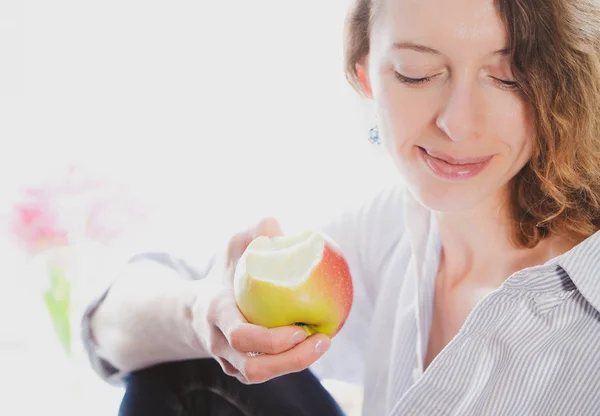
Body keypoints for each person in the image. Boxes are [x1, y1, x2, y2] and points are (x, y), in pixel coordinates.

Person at [82, 0, 600, 414]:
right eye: (415, 73)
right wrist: (200, 314)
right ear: (369, 78)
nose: (459, 124)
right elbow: (112, 326)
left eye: (509, 78)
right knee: (185, 366)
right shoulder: (390, 230)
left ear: (562, 84)